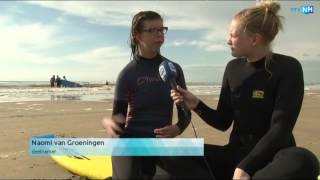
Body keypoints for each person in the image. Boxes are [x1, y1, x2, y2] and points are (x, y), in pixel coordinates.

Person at [170, 1, 319, 179]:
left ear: (254, 39)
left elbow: (280, 129)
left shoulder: (288, 68)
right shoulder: (232, 68)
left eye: (232, 35)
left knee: (304, 159)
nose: (227, 41)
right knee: (173, 150)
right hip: (235, 155)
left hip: (273, 158)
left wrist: (246, 167)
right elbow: (223, 121)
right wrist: (195, 104)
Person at [101, 11, 196, 179]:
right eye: (152, 30)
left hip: (160, 143)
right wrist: (113, 125)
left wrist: (177, 128)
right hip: (131, 142)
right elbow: (119, 117)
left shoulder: (173, 69)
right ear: (138, 36)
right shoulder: (128, 74)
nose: (159, 34)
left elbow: (185, 112)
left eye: (161, 29)